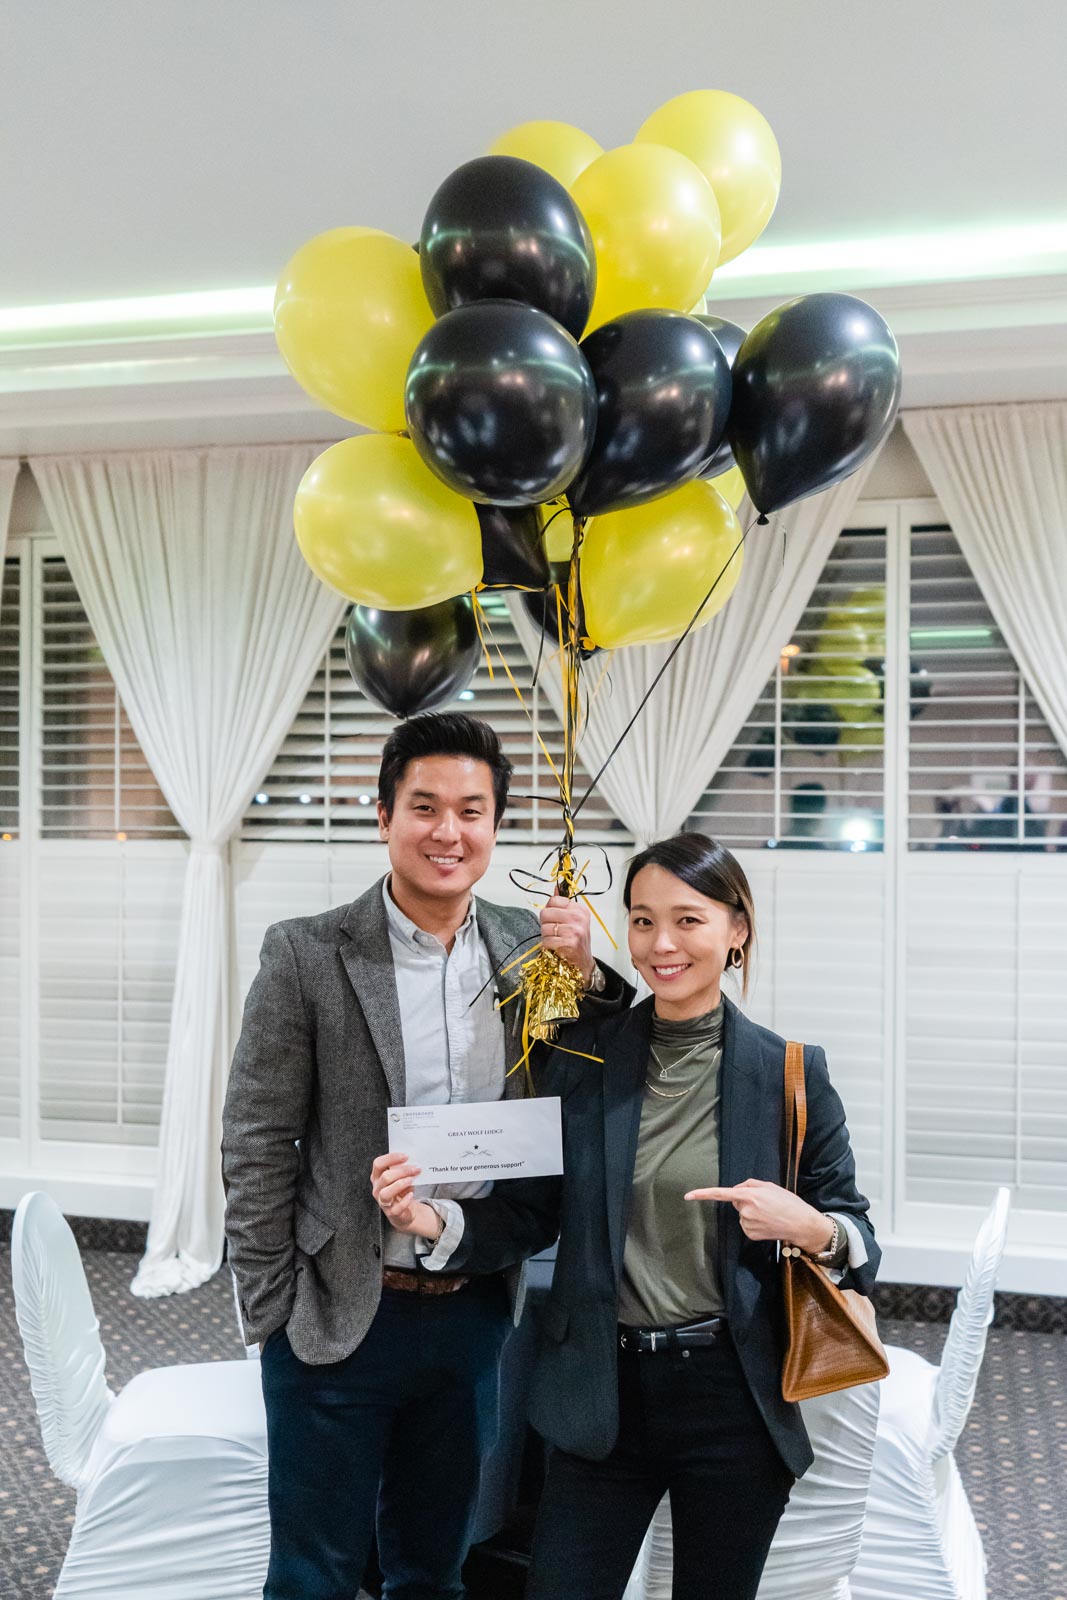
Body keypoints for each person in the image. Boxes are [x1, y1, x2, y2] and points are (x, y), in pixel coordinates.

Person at [376, 831, 880, 1600]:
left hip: (732, 1396)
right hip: (600, 1394)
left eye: (687, 919)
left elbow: (858, 1238)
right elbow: (532, 1214)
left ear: (735, 928)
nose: (660, 944)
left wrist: (809, 1226)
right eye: (641, 921)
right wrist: (436, 1225)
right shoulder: (584, 1058)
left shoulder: (786, 1074)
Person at [221, 711, 628, 1600]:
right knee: (312, 1573)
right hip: (337, 1311)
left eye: (472, 811)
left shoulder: (528, 946)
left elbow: (596, 1075)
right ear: (383, 815)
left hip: (472, 1309)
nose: (449, 832)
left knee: (434, 1567)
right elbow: (256, 1137)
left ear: (494, 825)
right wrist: (273, 1305)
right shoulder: (308, 952)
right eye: (425, 806)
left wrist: (589, 976)